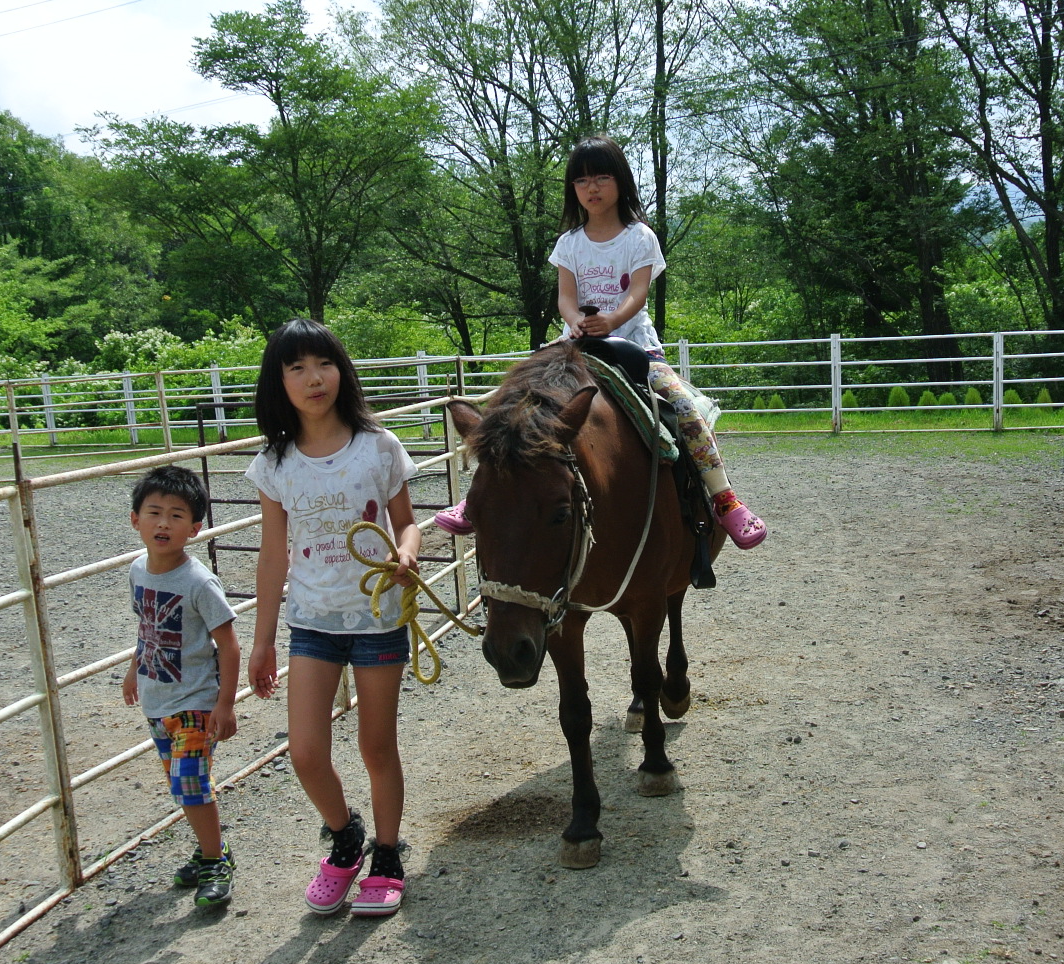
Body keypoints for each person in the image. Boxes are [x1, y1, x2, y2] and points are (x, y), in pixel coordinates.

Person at [434, 135, 768, 549]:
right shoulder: (569, 243)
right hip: (575, 345)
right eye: (581, 180)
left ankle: (724, 497)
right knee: (514, 404)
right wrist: (575, 321)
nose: (591, 187)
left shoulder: (639, 237)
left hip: (633, 345)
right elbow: (565, 298)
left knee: (683, 406)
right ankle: (476, 499)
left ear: (620, 181)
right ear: (572, 188)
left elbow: (638, 294)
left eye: (601, 177)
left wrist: (610, 320)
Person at [245, 318, 421, 918]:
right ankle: (346, 835)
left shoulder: (378, 446)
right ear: (279, 383)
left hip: (378, 617)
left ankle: (387, 855)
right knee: (305, 752)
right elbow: (273, 554)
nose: (313, 378)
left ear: (341, 371)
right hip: (312, 622)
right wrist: (262, 641)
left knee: (377, 746)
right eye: (296, 367)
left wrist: (407, 553)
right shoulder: (275, 463)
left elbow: (407, 522)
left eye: (323, 363)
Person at [122, 465, 241, 908]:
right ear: (136, 520)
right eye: (154, 513)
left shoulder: (198, 582)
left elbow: (229, 646)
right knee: (181, 786)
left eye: (176, 516)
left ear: (194, 528)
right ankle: (209, 848)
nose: (163, 524)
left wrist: (225, 705)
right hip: (157, 700)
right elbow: (147, 626)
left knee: (190, 782)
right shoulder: (138, 570)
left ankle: (216, 860)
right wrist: (134, 669)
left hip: (195, 702)